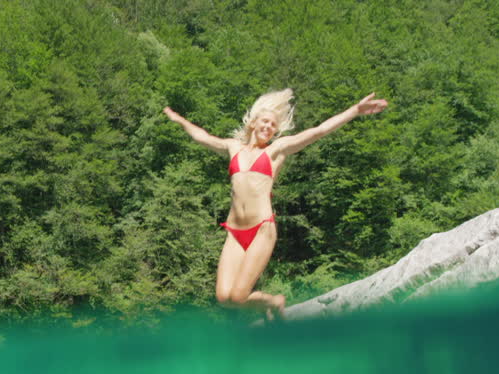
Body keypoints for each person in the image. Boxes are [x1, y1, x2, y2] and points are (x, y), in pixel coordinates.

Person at [163, 90, 388, 319]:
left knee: (239, 296)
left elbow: (318, 131)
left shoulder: (276, 150)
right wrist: (178, 119)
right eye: (265, 122)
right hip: (235, 233)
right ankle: (266, 306)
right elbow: (202, 136)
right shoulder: (233, 147)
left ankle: (274, 300)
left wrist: (355, 111)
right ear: (253, 122)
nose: (269, 127)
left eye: (273, 125)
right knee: (224, 298)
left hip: (261, 229)